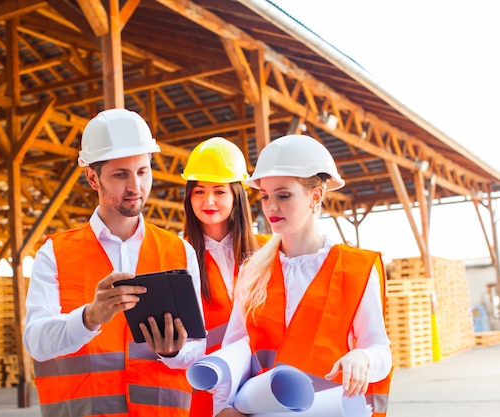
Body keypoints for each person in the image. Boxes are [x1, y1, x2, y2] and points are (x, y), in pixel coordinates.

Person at [23, 108, 206, 417]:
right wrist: (90, 317)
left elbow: (197, 346)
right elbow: (36, 342)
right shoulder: (55, 253)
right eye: (120, 174)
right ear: (92, 177)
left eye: (142, 171)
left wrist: (173, 352)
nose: (135, 186)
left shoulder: (179, 251)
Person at [213, 134, 393, 417]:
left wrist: (363, 357)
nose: (271, 207)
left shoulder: (356, 268)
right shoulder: (253, 271)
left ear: (316, 195)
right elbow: (234, 350)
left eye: (283, 195)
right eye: (264, 196)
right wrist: (223, 407)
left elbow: (380, 349)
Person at [181, 137, 266, 417]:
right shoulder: (178, 257)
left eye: (219, 191)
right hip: (203, 388)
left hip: (259, 386)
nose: (209, 201)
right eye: (199, 191)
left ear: (235, 196)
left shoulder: (267, 254)